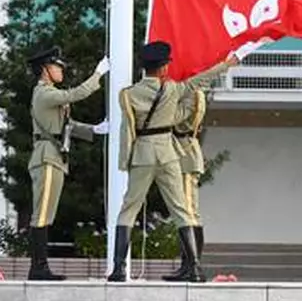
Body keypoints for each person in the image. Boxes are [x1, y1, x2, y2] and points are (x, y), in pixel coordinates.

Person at [106, 39, 262, 283]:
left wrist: (126, 159)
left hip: (143, 154)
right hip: (168, 153)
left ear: (144, 67)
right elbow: (200, 80)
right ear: (163, 68)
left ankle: (117, 269)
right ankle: (195, 268)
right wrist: (226, 64)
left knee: (128, 210)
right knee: (181, 210)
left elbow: (128, 129)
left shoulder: (128, 95)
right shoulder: (172, 90)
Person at [25, 46, 110, 281]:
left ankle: (40, 267)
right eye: (57, 66)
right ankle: (38, 268)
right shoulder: (43, 93)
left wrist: (94, 129)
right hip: (47, 157)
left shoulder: (50, 93)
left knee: (46, 214)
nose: (61, 69)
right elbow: (74, 94)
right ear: (45, 70)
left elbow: (67, 125)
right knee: (41, 214)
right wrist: (97, 75)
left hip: (54, 156)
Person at [172, 88, 209, 265]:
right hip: (183, 150)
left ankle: (192, 264)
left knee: (189, 211)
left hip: (185, 152)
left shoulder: (192, 93)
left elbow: (175, 119)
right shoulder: (192, 91)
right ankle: (188, 263)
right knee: (185, 211)